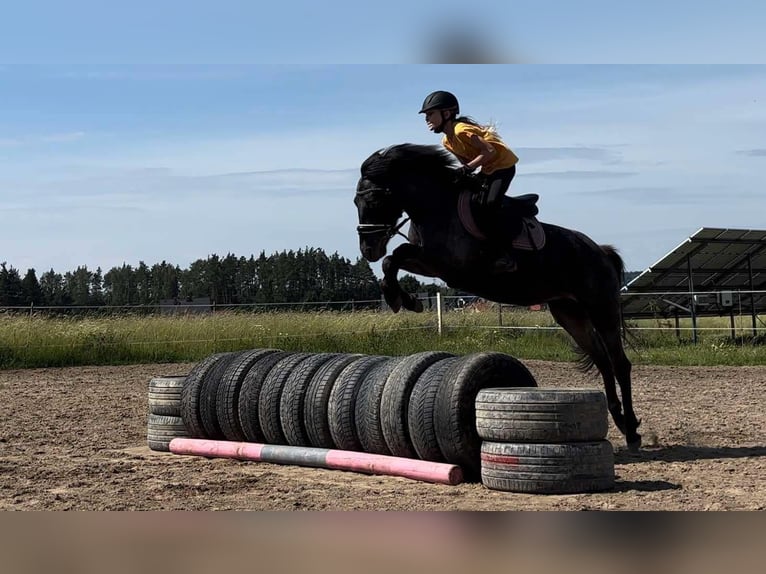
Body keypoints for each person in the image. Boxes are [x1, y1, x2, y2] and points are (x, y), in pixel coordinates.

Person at [419, 90, 520, 270]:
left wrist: (468, 169)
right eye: (426, 116)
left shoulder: (461, 130)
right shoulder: (447, 141)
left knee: (488, 204)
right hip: (487, 169)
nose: (427, 119)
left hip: (503, 167)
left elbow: (489, 152)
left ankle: (505, 252)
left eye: (430, 114)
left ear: (447, 114)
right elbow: (466, 164)